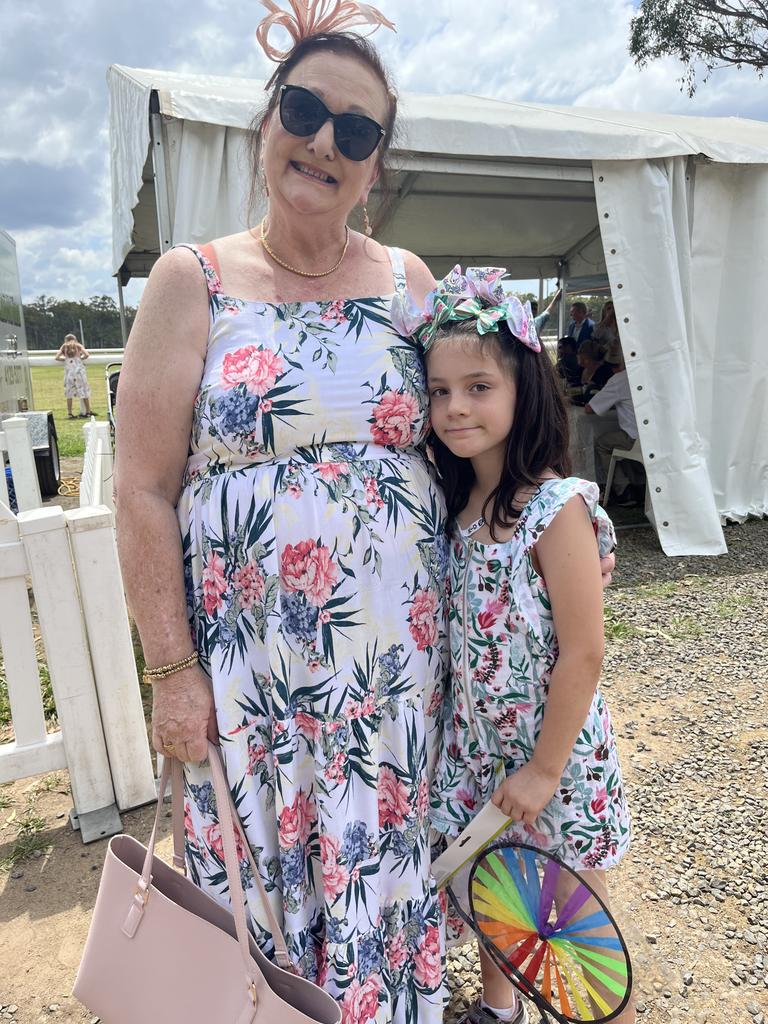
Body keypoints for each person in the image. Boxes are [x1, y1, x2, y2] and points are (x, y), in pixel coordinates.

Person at [115, 5, 616, 1021]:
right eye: (303, 110)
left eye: (356, 131)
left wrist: (540, 541)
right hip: (253, 686)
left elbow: (468, 434)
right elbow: (142, 489)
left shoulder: (407, 285)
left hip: (394, 689)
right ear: (266, 123)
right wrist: (171, 670)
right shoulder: (191, 281)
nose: (323, 142)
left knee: (388, 883)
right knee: (265, 894)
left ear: (375, 163)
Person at [415, 269, 633, 1024]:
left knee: (573, 932)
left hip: (554, 762)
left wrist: (544, 769)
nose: (455, 408)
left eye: (478, 386)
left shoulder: (555, 508)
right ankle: (498, 1009)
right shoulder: (456, 505)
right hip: (479, 757)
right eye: (439, 391)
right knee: (497, 895)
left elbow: (585, 653)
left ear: (522, 389)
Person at [586, 343, 643, 506]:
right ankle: (637, 483)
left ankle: (622, 489)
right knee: (618, 440)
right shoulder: (647, 375)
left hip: (635, 439)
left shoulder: (619, 379)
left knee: (602, 444)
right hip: (655, 437)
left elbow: (590, 409)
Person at [55, 333, 91, 417]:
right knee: (84, 391)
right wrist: (79, 358)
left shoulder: (64, 347)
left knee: (69, 393)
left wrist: (66, 359)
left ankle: (70, 413)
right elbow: (87, 354)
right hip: (79, 372)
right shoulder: (78, 346)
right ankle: (88, 411)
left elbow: (57, 357)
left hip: (69, 373)